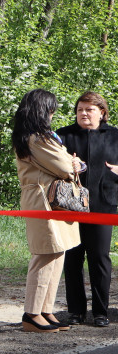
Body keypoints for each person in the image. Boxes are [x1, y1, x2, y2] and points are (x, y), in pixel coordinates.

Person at [12, 88, 82, 332]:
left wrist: (74, 164)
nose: (53, 115)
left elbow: (69, 165)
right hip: (41, 200)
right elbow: (65, 166)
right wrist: (74, 164)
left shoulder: (39, 137)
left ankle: (45, 310)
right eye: (51, 110)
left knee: (57, 252)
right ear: (42, 110)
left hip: (50, 199)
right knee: (45, 255)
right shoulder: (36, 138)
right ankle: (32, 313)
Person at [57, 91, 118, 327]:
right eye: (80, 109)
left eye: (89, 109)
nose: (84, 113)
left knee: (100, 259)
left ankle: (101, 313)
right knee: (72, 258)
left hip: (104, 205)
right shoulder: (63, 136)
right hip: (70, 206)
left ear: (101, 112)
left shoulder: (115, 136)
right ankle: (76, 311)